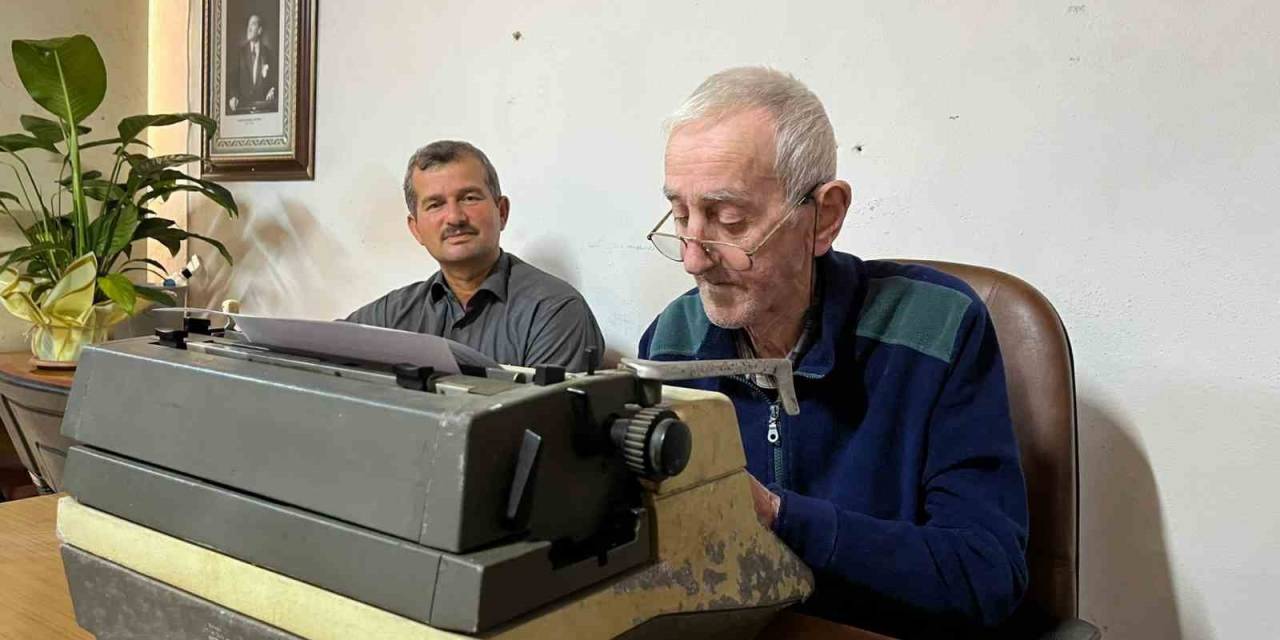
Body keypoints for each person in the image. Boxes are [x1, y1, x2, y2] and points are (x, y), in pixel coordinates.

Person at [637, 67, 1029, 637]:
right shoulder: (672, 338)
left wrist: (779, 516)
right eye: (680, 214)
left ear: (825, 216)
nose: (694, 258)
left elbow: (986, 576)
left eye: (728, 220)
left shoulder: (937, 327)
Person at [347, 140, 605, 372]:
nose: (455, 217)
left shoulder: (554, 311)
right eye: (435, 204)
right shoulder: (389, 316)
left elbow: (542, 419)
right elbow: (318, 362)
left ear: (501, 212)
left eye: (469, 198)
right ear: (416, 229)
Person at [227, 14, 277, 115]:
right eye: (248, 25)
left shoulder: (269, 54)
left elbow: (275, 80)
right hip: (242, 107)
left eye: (253, 24)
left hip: (263, 108)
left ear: (260, 30)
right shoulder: (239, 52)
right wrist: (233, 96)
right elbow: (233, 79)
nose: (249, 28)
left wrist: (273, 89)